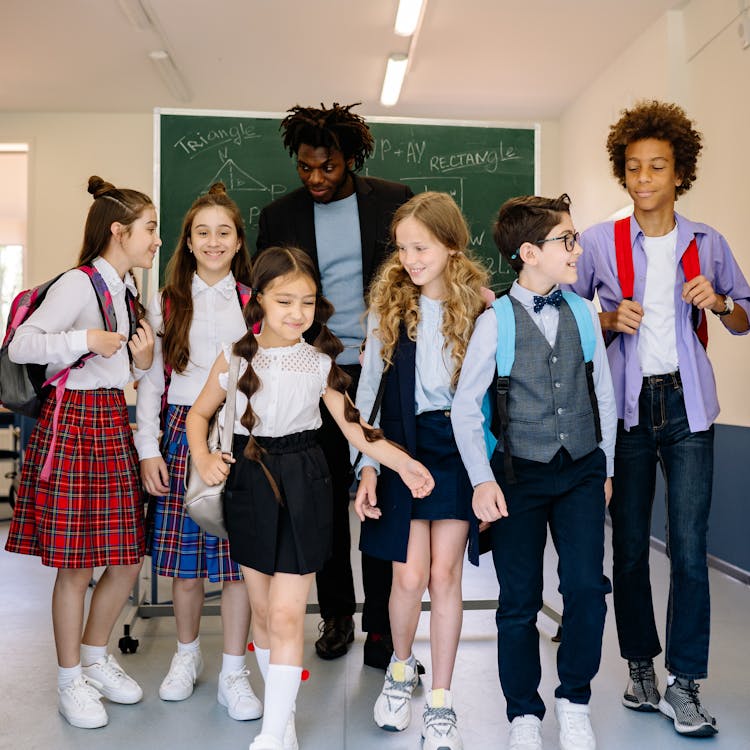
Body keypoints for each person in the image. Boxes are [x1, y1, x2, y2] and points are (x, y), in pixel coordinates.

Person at [185, 245, 434, 750]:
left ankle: (273, 733)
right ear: (259, 301)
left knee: (286, 614)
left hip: (305, 481)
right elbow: (197, 415)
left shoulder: (318, 362)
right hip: (249, 482)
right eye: (284, 302)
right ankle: (286, 711)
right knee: (260, 610)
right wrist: (201, 457)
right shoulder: (233, 357)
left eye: (307, 302)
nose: (297, 314)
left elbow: (356, 429)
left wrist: (404, 462)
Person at [567, 100, 750, 738]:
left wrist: (723, 301)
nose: (645, 178)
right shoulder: (598, 242)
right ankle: (641, 668)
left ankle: (685, 683)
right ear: (624, 174)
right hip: (628, 409)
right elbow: (563, 316)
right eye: (634, 168)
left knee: (690, 549)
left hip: (690, 409)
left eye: (658, 167)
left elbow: (743, 316)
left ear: (680, 174)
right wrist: (607, 318)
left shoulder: (707, 243)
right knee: (632, 548)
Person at [452, 194, 617, 750]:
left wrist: (607, 465)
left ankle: (575, 700)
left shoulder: (582, 312)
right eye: (566, 240)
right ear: (529, 252)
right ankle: (523, 711)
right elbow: (464, 408)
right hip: (518, 476)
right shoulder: (494, 321)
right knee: (519, 600)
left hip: (581, 472)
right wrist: (481, 479)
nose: (577, 248)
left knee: (587, 589)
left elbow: (602, 393)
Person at [256, 102, 415, 668]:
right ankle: (338, 614)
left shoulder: (394, 200)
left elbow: (414, 276)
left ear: (350, 158)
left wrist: (395, 329)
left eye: (326, 167)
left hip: (383, 369)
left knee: (379, 495)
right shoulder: (280, 216)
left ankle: (379, 624)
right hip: (311, 373)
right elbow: (270, 295)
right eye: (305, 168)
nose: (316, 178)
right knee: (318, 499)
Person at [4, 176, 158, 729]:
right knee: (76, 566)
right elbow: (21, 342)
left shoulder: (128, 290)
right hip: (73, 423)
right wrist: (84, 341)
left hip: (113, 419)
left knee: (125, 555)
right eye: (150, 228)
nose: (156, 240)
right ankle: (70, 679)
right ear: (119, 231)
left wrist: (137, 364)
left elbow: (124, 368)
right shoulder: (78, 283)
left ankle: (95, 658)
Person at [351, 191, 488, 749]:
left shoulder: (481, 308)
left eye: (422, 247)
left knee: (445, 576)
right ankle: (401, 669)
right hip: (400, 443)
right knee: (407, 575)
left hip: (455, 445)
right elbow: (369, 393)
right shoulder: (389, 308)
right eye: (403, 248)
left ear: (452, 246)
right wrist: (367, 464)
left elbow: (487, 397)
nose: (409, 259)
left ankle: (442, 702)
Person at [135, 183, 263, 720]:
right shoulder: (167, 304)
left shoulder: (254, 302)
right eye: (202, 233)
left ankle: (234, 670)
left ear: (238, 244)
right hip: (180, 433)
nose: (213, 241)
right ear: (187, 242)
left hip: (240, 436)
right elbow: (148, 383)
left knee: (236, 563)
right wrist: (148, 449)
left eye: (224, 233)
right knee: (186, 564)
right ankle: (187, 656)